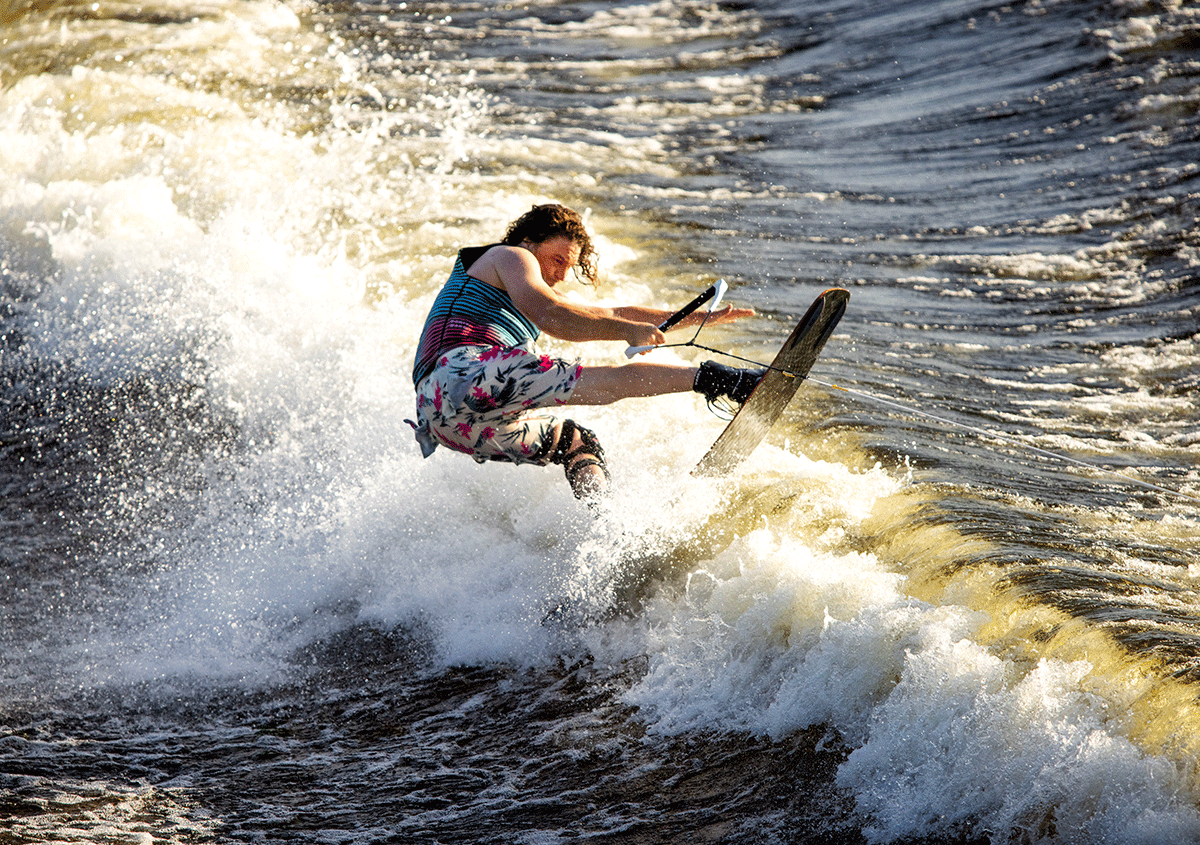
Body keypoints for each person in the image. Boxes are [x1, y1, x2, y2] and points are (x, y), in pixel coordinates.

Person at [408, 204, 764, 501]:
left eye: (568, 266)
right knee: (612, 380)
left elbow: (611, 313)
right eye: (557, 260)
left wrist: (700, 318)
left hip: (445, 423)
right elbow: (552, 316)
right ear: (530, 241)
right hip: (460, 371)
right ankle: (729, 381)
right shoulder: (509, 256)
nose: (561, 275)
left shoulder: (533, 283)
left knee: (576, 441)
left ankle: (605, 519)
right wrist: (625, 332)